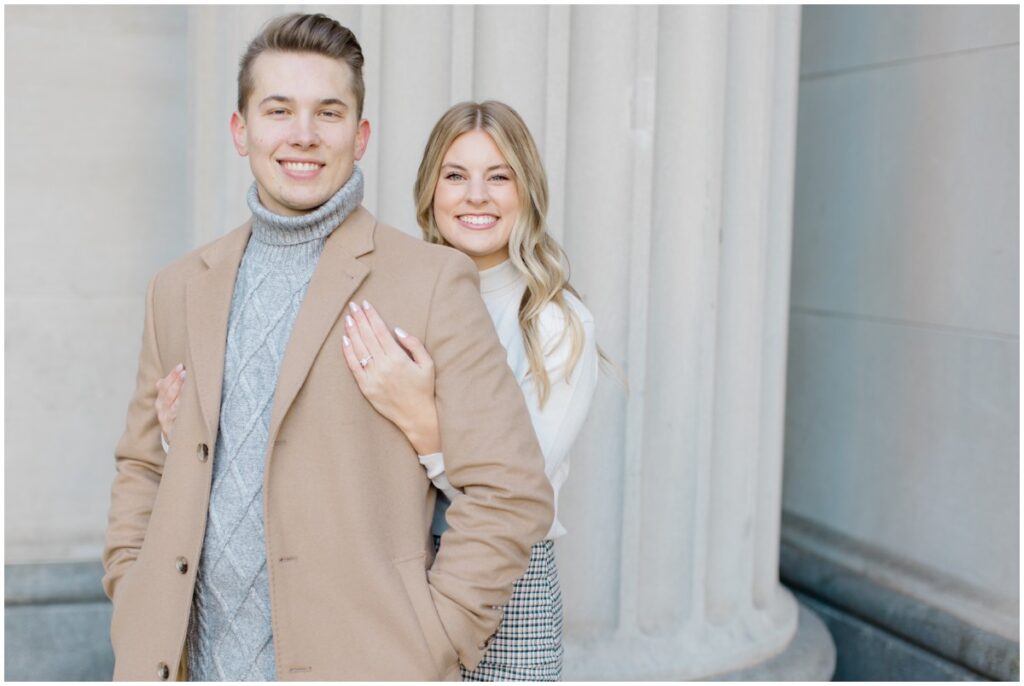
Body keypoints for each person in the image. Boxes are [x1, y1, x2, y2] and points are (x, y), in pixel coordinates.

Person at [102, 13, 553, 682]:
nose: (303, 135)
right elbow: (142, 464)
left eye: (329, 112)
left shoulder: (430, 282)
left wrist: (435, 636)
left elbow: (512, 490)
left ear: (360, 134)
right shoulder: (176, 289)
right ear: (240, 130)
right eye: (278, 109)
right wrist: (130, 583)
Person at [161, 101, 604, 680]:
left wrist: (420, 420)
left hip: (508, 585)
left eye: (500, 176)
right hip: (388, 575)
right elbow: (318, 444)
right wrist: (196, 438)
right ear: (430, 190)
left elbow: (518, 486)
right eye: (455, 175)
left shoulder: (557, 324)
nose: (476, 196)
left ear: (528, 192)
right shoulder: (392, 295)